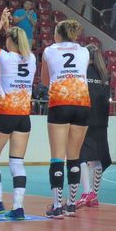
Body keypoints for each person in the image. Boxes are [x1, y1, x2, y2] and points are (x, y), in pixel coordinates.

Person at [0, 8, 36, 220]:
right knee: (17, 162)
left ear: (10, 42)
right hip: (24, 116)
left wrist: (0, 23)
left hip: (5, 113)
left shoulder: (5, 57)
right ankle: (18, 207)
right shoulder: (32, 59)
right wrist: (8, 28)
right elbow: (16, 41)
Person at [42, 19, 90, 219]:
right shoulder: (84, 51)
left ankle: (56, 205)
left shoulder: (49, 51)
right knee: (74, 156)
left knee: (57, 156)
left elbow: (45, 80)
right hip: (82, 103)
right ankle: (71, 204)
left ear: (58, 34)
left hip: (60, 102)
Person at [76, 44, 112, 209]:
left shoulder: (83, 71)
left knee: (81, 155)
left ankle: (86, 192)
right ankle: (94, 194)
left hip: (86, 118)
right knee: (98, 158)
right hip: (101, 121)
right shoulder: (105, 75)